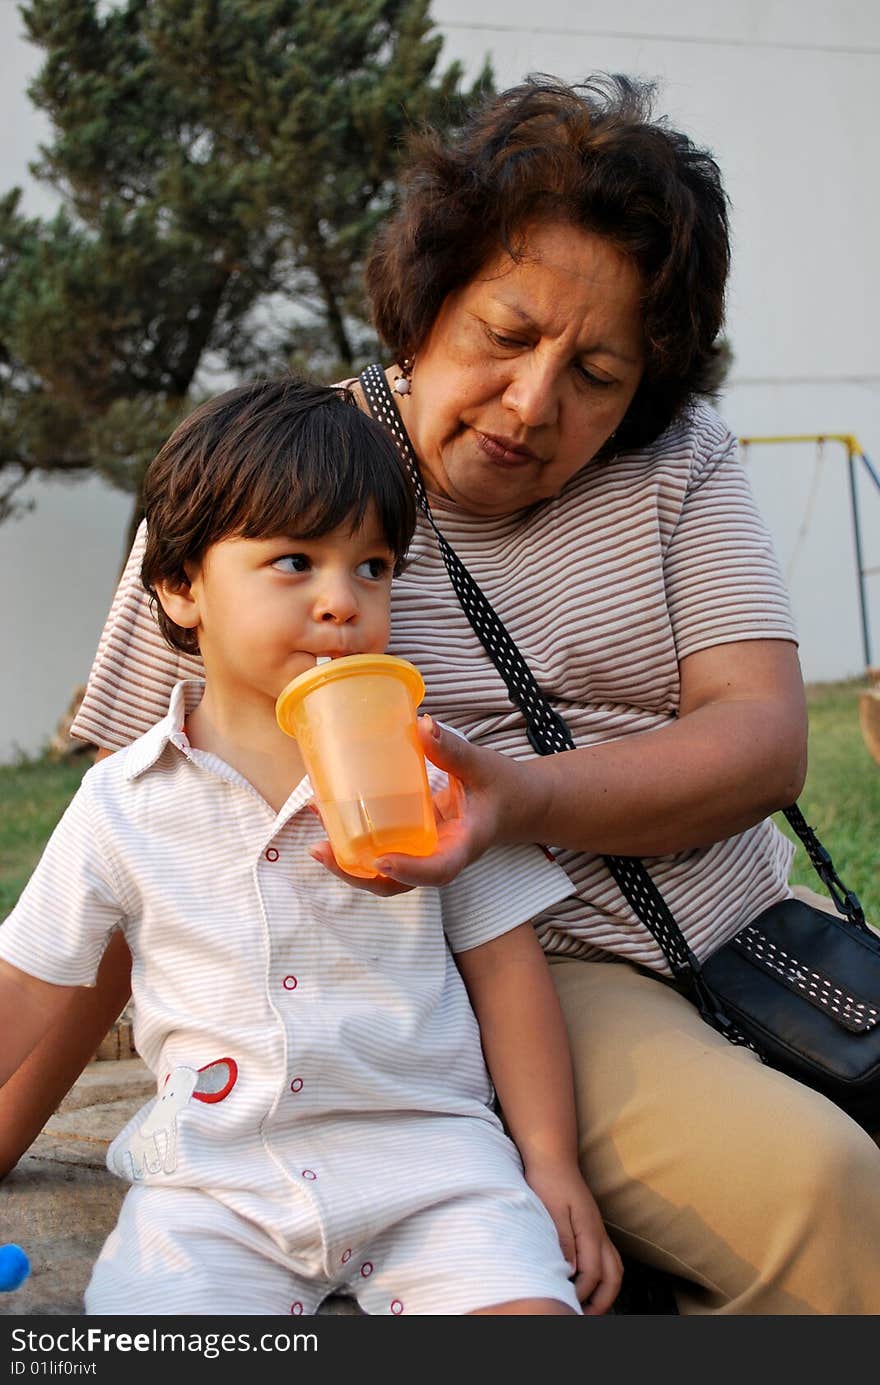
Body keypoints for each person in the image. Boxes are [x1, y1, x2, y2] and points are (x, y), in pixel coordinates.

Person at [3, 74, 879, 1314]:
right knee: (826, 1194)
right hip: (531, 963)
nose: (534, 405)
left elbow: (762, 742)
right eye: (506, 335)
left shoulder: (681, 461)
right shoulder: (281, 494)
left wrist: (516, 793)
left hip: (747, 933)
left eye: (599, 371)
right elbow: (137, 862)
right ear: (425, 303)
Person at [0, 377, 622, 1317]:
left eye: (372, 567)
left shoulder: (432, 775)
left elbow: (506, 970)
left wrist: (550, 1162)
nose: (343, 600)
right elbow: (26, 985)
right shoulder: (121, 802)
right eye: (294, 561)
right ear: (178, 588)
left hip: (440, 1174)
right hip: (215, 1193)